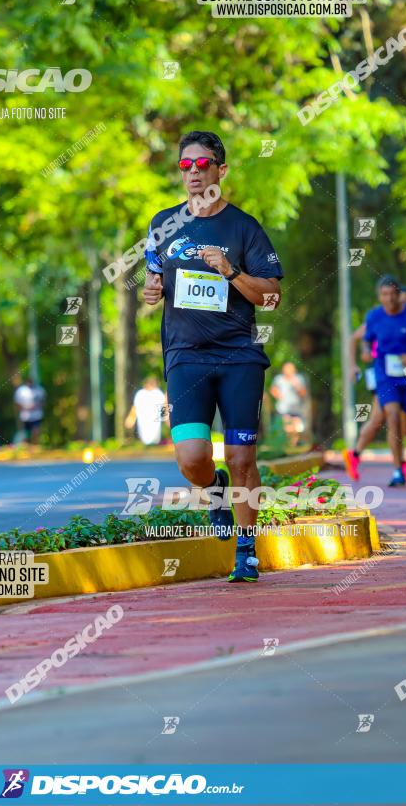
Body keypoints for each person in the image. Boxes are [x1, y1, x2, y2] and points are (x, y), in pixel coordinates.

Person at [143, 129, 283, 583]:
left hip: (239, 356)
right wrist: (150, 290)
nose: (193, 173)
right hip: (185, 355)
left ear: (221, 171)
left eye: (203, 164)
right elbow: (152, 277)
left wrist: (232, 271)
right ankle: (216, 491)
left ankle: (246, 551)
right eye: (186, 165)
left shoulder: (244, 228)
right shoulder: (162, 224)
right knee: (192, 458)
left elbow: (272, 297)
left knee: (242, 457)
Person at [345, 276, 406, 486]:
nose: (391, 298)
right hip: (383, 374)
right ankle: (397, 470)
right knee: (389, 415)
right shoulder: (374, 317)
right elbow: (361, 340)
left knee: (404, 426)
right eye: (385, 294)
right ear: (380, 296)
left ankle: (357, 454)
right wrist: (358, 361)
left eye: (394, 294)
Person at [269, 362, 308, 447]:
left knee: (297, 428)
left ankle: (293, 445)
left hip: (296, 408)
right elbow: (273, 390)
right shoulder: (279, 379)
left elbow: (303, 393)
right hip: (284, 408)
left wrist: (296, 384)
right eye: (287, 369)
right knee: (287, 427)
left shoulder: (298, 378)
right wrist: (279, 395)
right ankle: (288, 445)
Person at [125, 377, 167, 445]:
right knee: (145, 438)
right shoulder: (141, 393)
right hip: (143, 420)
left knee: (153, 439)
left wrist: (166, 418)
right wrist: (131, 418)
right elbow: (135, 408)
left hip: (154, 422)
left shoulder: (157, 393)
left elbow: (165, 405)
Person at [14, 376, 46, 444]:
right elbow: (17, 404)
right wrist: (26, 408)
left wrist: (36, 406)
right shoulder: (21, 391)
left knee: (36, 431)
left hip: (37, 415)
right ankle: (28, 446)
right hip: (25, 416)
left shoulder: (39, 390)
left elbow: (43, 402)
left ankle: (36, 445)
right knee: (26, 434)